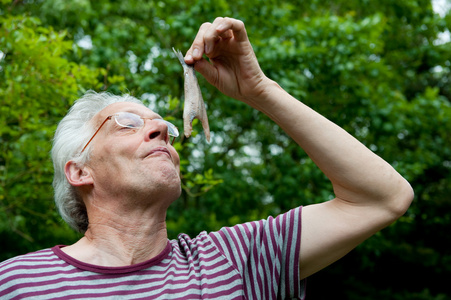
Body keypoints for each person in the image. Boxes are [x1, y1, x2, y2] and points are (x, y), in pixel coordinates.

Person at [0, 17, 413, 299]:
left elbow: (381, 198)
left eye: (166, 126)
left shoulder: (234, 260)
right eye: (126, 122)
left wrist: (260, 90)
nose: (161, 129)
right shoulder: (17, 283)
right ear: (79, 170)